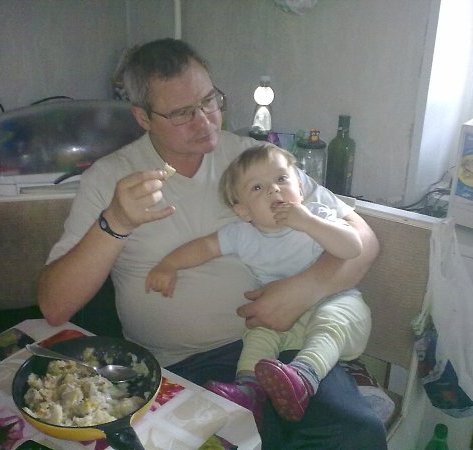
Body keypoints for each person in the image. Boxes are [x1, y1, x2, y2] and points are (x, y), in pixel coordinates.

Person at [37, 38, 385, 449]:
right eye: (182, 113)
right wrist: (115, 222)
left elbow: (364, 239)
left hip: (286, 340)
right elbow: (55, 306)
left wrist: (303, 290)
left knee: (357, 433)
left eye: (209, 101)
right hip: (181, 367)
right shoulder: (109, 178)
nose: (204, 121)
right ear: (143, 117)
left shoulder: (257, 162)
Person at [145, 143, 371, 427]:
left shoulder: (317, 214)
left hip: (336, 303)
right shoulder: (241, 234)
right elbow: (204, 247)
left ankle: (304, 377)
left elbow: (352, 247)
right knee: (257, 333)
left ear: (300, 189)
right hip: (281, 320)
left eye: (282, 179)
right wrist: (169, 264)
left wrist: (310, 223)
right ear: (243, 211)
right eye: (257, 188)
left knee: (330, 320)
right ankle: (249, 389)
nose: (274, 190)